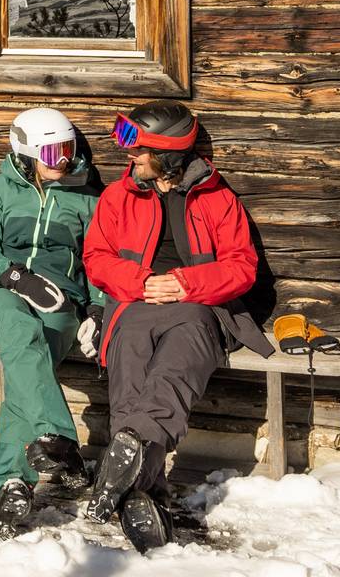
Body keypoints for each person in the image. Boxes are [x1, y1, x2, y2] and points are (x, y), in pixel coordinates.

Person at [81, 99, 274, 553]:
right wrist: (143, 282)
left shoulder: (217, 199)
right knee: (129, 360)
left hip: (199, 306)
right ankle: (146, 491)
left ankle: (132, 458)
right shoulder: (118, 196)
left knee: (172, 367)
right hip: (136, 302)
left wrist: (185, 282)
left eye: (137, 147)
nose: (127, 154)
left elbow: (242, 267)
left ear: (166, 152)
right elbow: (97, 258)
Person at [0, 107, 104, 538]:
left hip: (60, 302)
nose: (63, 160)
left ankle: (11, 483)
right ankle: (57, 439)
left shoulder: (87, 197)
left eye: (69, 149)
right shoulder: (1, 190)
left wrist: (98, 310)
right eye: (52, 151)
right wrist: (16, 278)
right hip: (3, 295)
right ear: (25, 152)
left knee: (26, 364)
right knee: (18, 328)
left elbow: (102, 261)